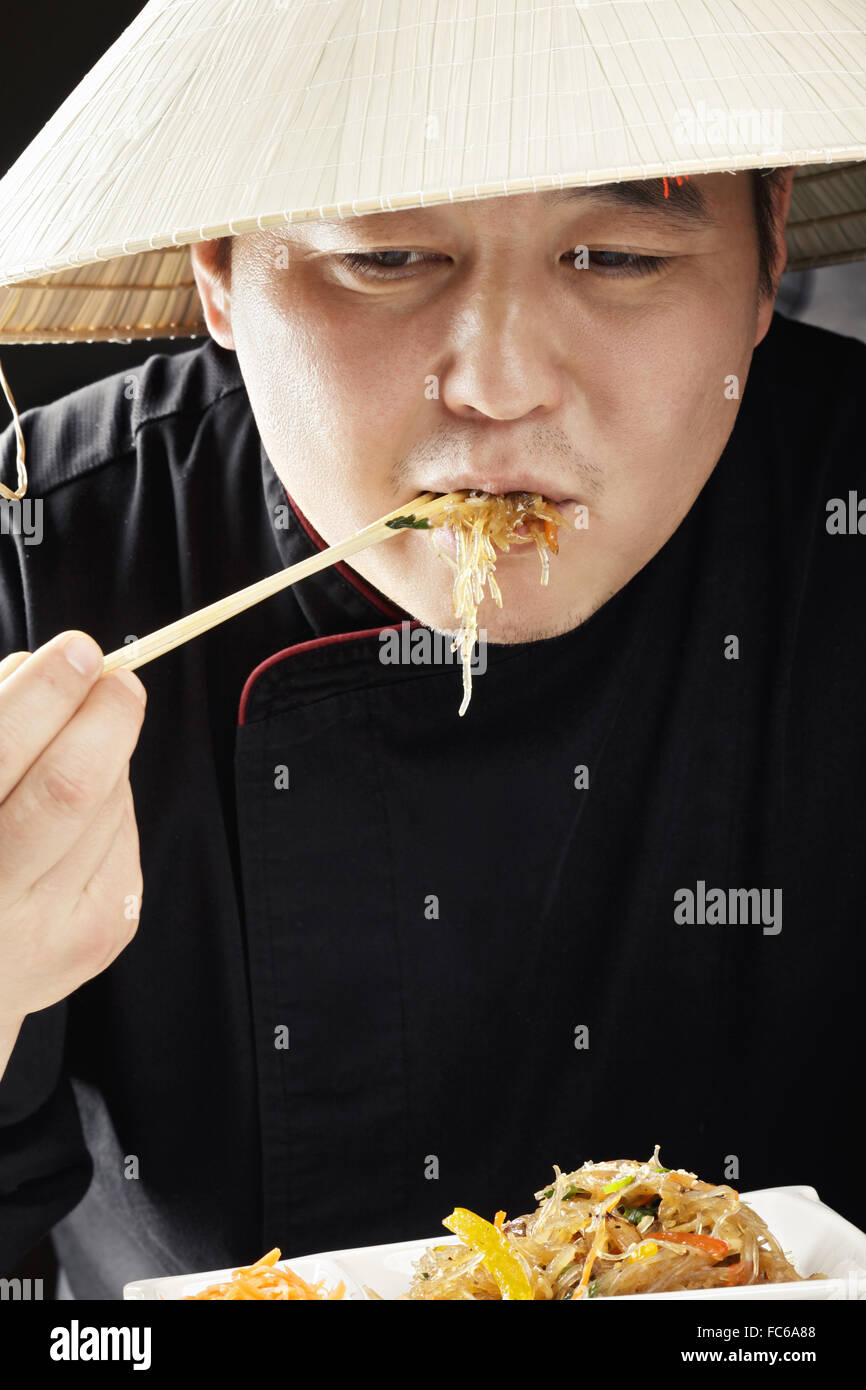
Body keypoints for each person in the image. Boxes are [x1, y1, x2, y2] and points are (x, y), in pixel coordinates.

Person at [0, 1, 864, 1299]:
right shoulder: (42, 554)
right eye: (388, 256)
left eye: (618, 255)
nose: (499, 382)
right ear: (219, 271)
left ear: (760, 262)